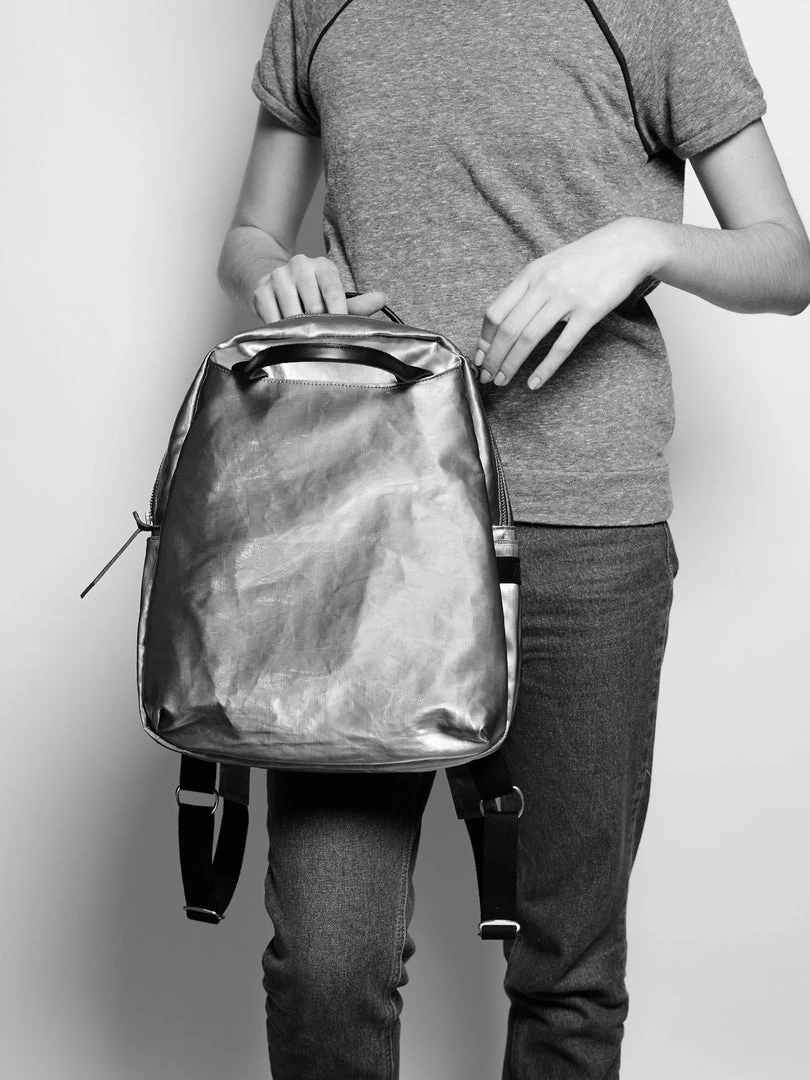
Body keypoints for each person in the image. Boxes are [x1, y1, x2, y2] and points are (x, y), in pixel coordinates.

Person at [216, 2, 810, 1077]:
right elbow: (250, 234)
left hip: (583, 532)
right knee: (325, 963)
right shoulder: (319, 6)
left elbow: (786, 260)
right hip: (365, 527)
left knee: (566, 974)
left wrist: (644, 243)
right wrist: (277, 270)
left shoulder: (660, 8)